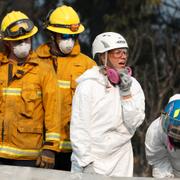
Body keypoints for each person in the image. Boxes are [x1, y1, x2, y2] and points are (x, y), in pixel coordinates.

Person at [70, 32, 145, 177]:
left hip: (121, 159)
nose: (123, 56)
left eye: (125, 52)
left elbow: (134, 122)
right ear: (102, 56)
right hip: (92, 160)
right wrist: (86, 163)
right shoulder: (88, 85)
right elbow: (79, 128)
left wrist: (126, 94)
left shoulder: (133, 85)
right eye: (117, 53)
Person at [35, 5, 96, 170]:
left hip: (74, 149)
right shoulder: (34, 62)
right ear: (52, 35)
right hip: (40, 148)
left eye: (74, 36)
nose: (69, 41)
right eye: (64, 36)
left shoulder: (88, 66)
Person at [0, 11, 60, 168]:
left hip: (28, 157)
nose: (23, 44)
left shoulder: (44, 70)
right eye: (18, 41)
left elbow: (53, 112)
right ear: (7, 43)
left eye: (26, 39)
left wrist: (50, 148)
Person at [145, 94, 180, 178]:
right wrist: (165, 177)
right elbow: (158, 160)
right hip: (174, 171)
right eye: (175, 129)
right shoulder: (155, 131)